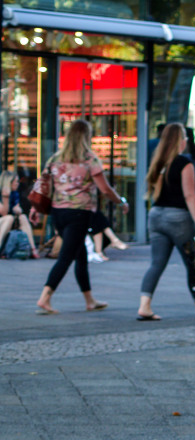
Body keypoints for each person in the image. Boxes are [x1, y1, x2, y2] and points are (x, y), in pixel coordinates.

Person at [32, 119, 125, 315]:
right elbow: (105, 189)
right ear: (86, 137)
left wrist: (35, 208)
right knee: (66, 257)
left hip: (58, 213)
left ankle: (89, 300)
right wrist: (121, 202)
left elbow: (42, 183)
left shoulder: (56, 158)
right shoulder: (90, 160)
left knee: (80, 254)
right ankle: (45, 297)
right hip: (79, 213)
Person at [137, 123, 195, 321]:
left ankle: (144, 306)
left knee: (156, 264)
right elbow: (190, 195)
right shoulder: (185, 163)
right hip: (179, 218)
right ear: (181, 141)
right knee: (191, 263)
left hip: (156, 216)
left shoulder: (158, 161)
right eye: (185, 138)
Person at [1, 172, 39, 258]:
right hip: (3, 222)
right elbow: (4, 213)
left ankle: (32, 249)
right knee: (9, 218)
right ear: (9, 182)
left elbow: (17, 209)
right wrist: (5, 198)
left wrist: (19, 211)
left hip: (10, 223)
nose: (18, 183)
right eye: (16, 181)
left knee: (23, 217)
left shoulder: (15, 194)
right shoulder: (1, 194)